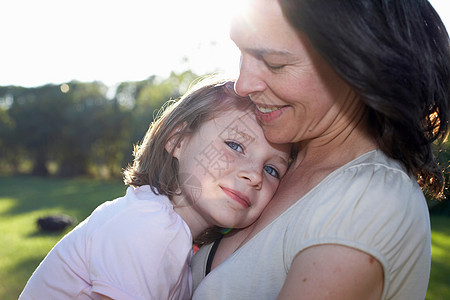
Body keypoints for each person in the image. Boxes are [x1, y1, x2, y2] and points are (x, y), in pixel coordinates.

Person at [191, 1, 450, 299]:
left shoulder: (370, 200)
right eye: (242, 53)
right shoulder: (273, 159)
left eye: (275, 63)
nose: (243, 85)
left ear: (354, 63)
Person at [18, 78, 292, 300]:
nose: (254, 174)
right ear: (178, 141)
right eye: (235, 145)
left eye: (272, 170)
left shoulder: (167, 229)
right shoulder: (150, 227)